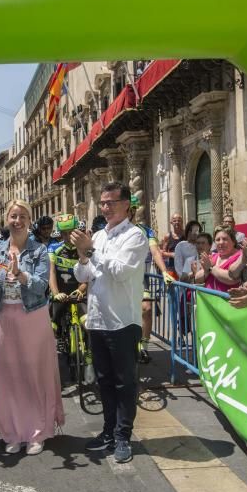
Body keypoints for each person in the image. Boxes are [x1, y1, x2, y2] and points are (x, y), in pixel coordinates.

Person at [71, 182, 149, 464]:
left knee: (124, 382)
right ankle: (107, 431)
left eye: (111, 203)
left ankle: (123, 437)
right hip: (97, 320)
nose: (105, 208)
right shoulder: (100, 237)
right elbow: (83, 275)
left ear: (126, 204)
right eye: (102, 203)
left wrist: (90, 251)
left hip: (122, 322)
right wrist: (82, 256)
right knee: (103, 381)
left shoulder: (135, 236)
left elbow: (119, 272)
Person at [0, 200, 64, 455]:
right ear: (6, 219)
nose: (17, 221)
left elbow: (41, 286)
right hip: (4, 318)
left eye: (22, 217)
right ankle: (12, 433)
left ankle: (37, 433)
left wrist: (20, 274)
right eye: (13, 216)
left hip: (33, 317)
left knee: (34, 376)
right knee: (7, 377)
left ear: (29, 221)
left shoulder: (40, 250)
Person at [128, 195, 173, 363]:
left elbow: (155, 252)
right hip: (120, 280)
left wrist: (164, 271)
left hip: (140, 279)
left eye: (131, 210)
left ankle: (144, 346)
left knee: (146, 308)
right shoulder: (115, 230)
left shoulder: (146, 231)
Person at [48, 214, 88, 346]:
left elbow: (89, 272)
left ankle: (88, 357)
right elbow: (51, 272)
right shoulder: (54, 248)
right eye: (64, 233)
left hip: (79, 292)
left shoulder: (84, 248)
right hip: (60, 292)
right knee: (51, 328)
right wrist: (55, 293)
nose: (67, 236)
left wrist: (81, 289)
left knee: (88, 325)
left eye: (71, 232)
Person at [194, 227, 242, 293]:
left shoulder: (240, 256)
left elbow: (231, 279)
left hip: (227, 301)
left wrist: (210, 268)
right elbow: (197, 278)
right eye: (218, 240)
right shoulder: (214, 256)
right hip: (210, 300)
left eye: (225, 239)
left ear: (233, 241)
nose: (221, 242)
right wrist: (206, 271)